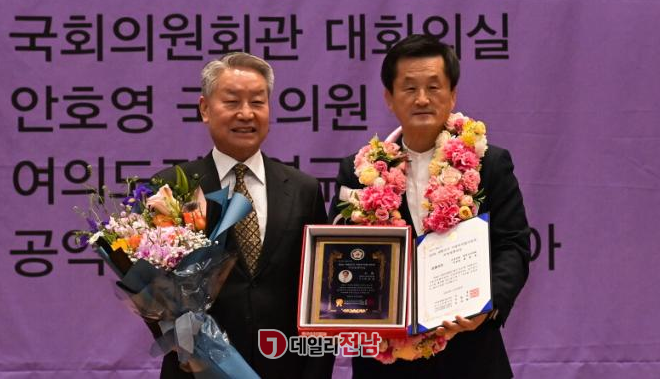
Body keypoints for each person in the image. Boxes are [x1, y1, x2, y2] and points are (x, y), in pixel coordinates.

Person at [328, 35, 530, 378]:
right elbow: (342, 254)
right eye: (409, 88)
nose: (422, 99)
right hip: (386, 361)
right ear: (389, 98)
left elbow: (512, 245)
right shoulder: (359, 172)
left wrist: (488, 305)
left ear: (452, 95)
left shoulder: (488, 164)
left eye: (434, 87)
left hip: (470, 353)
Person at [156, 52, 332, 379]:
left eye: (257, 102)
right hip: (197, 371)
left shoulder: (303, 189)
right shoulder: (174, 189)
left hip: (285, 367)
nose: (246, 113)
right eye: (232, 101)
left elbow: (320, 297)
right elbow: (157, 297)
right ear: (205, 108)